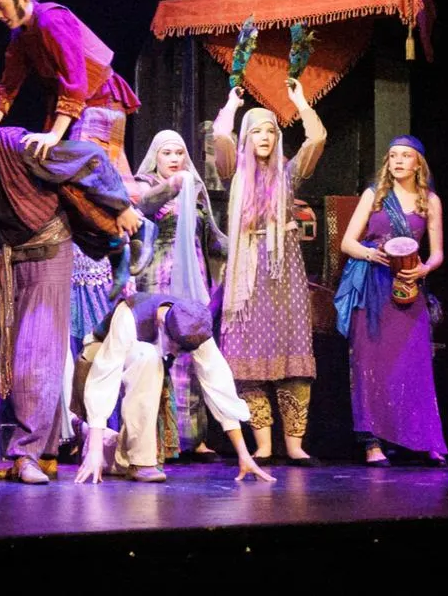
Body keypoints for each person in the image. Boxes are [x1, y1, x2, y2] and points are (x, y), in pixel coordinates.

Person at [0, 87, 143, 484]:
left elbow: (90, 156)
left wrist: (120, 204)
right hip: (17, 261)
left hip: (50, 253)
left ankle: (26, 454)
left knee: (33, 359)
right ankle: (47, 452)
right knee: (39, 357)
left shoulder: (21, 145)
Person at [212, 81, 326, 465]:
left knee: (292, 357)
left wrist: (299, 102)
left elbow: (316, 138)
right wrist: (230, 106)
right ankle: (263, 444)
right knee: (248, 357)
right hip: (246, 277)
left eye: (271, 131)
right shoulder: (235, 174)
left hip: (284, 276)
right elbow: (220, 138)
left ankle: (294, 444)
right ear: (246, 138)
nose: (264, 137)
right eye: (256, 130)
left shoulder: (288, 174)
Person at [72, 293, 272, 484]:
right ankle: (136, 459)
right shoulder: (130, 314)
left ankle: (134, 460)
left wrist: (244, 455)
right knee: (148, 355)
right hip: (96, 357)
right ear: (162, 323)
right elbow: (104, 376)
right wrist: (95, 451)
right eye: (177, 347)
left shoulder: (195, 325)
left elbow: (219, 387)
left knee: (150, 360)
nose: (178, 354)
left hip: (143, 372)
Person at [334, 135, 448, 466]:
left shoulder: (430, 201)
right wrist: (371, 253)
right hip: (373, 286)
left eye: (406, 156)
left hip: (407, 287)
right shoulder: (375, 196)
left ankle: (422, 438)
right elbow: (347, 243)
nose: (398, 161)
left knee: (413, 365)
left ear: (418, 164)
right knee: (370, 365)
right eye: (393, 156)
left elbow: (437, 252)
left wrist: (424, 269)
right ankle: (372, 443)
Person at [0, 0, 140, 174]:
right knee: (101, 179)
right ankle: (145, 200)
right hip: (73, 107)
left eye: (1, 7)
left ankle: (154, 196)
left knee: (88, 175)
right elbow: (7, 87)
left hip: (100, 99)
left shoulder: (51, 19)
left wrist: (54, 135)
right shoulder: (20, 36)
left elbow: (75, 80)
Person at [129, 129, 228, 459]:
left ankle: (194, 437)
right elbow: (140, 210)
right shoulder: (145, 184)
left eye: (179, 153)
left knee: (192, 353)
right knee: (159, 355)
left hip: (193, 277)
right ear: (155, 156)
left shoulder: (196, 189)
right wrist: (172, 187)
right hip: (158, 278)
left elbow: (213, 238)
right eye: (167, 153)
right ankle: (162, 439)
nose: (174, 159)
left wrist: (246, 244)